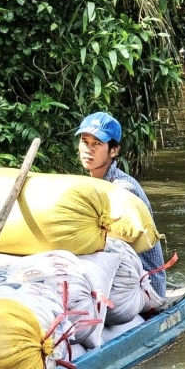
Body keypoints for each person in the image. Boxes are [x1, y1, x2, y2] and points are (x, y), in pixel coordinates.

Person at [74, 112, 167, 296]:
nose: (88, 149)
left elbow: (117, 249)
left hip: (145, 284)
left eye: (97, 144)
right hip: (122, 274)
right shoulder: (93, 185)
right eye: (85, 142)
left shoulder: (123, 189)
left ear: (114, 150)